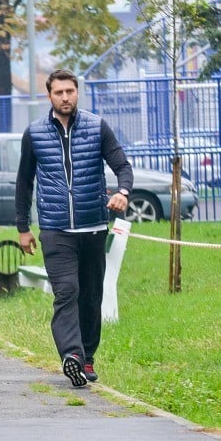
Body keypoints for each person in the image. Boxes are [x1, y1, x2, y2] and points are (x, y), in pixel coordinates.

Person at [15, 68, 133, 387]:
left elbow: (121, 165)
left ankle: (88, 356)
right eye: (59, 93)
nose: (65, 97)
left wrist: (122, 192)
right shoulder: (35, 133)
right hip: (55, 229)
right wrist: (23, 227)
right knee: (67, 291)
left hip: (93, 225)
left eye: (70, 91)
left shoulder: (97, 127)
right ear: (49, 95)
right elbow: (24, 183)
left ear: (77, 92)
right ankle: (72, 355)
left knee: (91, 295)